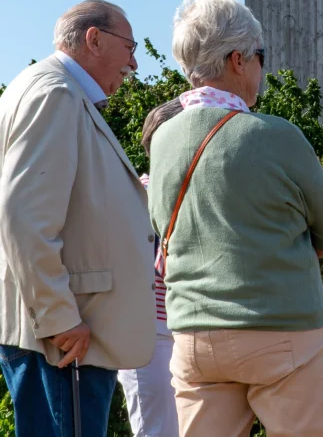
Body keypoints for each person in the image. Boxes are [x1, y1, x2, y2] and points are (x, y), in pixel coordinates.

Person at [148, 0, 323, 437]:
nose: (263, 68)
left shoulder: (162, 140)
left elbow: (163, 227)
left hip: (194, 336)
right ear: (238, 60)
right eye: (261, 56)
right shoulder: (277, 136)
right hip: (282, 330)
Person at [0, 0, 157, 437]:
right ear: (93, 39)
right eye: (129, 46)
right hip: (63, 342)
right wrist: (59, 318)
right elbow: (23, 214)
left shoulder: (44, 89)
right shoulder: (56, 94)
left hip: (60, 337)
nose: (134, 62)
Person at [118, 98, 184, 437]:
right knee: (157, 431)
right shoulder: (138, 193)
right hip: (150, 335)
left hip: (185, 330)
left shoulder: (187, 191)